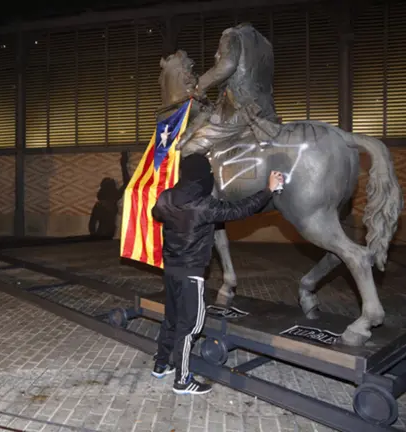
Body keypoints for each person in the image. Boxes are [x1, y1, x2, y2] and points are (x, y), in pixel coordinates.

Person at [150, 154, 283, 395]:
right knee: (190, 326)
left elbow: (155, 213)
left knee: (171, 319)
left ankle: (161, 365)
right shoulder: (205, 205)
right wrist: (268, 190)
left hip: (170, 270)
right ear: (203, 176)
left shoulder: (166, 198)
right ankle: (182, 380)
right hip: (191, 274)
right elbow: (241, 209)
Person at [177, 23, 280, 157]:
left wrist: (200, 86)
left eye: (219, 53)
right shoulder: (266, 45)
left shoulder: (232, 35)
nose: (216, 55)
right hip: (266, 107)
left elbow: (227, 66)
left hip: (241, 109)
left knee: (189, 148)